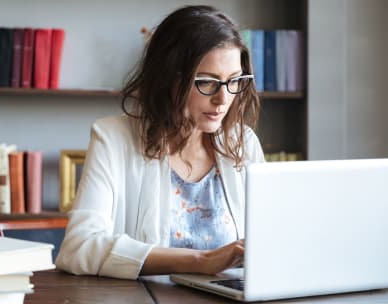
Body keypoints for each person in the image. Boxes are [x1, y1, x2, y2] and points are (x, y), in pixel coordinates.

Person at [55, 5, 264, 280]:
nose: (223, 99)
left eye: (234, 81)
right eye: (207, 82)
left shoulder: (243, 142)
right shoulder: (113, 138)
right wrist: (201, 260)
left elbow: (270, 240)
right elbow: (79, 247)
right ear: (169, 79)